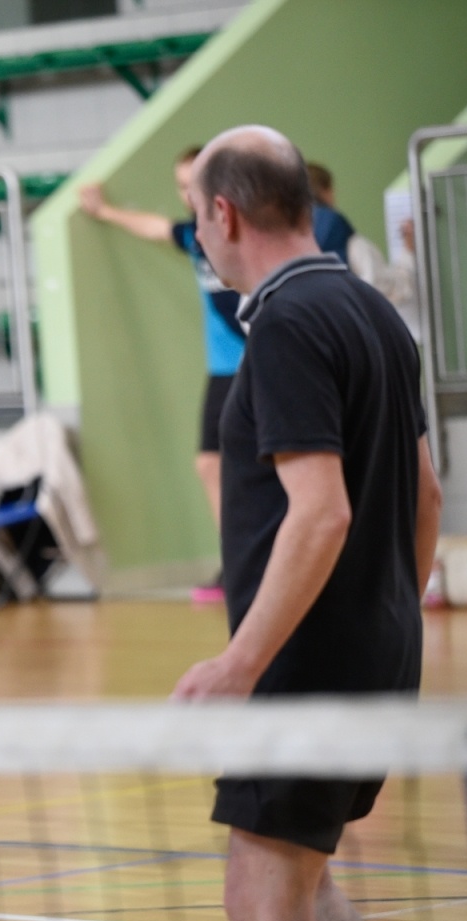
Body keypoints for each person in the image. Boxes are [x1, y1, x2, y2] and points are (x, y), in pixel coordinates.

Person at [171, 126, 443, 921]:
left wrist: (239, 660)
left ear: (225, 213)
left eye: (194, 216)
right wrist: (391, 621)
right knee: (307, 886)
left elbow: (319, 513)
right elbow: (427, 493)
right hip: (372, 648)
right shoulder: (369, 309)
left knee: (262, 905)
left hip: (302, 663)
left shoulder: (285, 324)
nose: (197, 234)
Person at [79, 151, 354, 603]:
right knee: (210, 463)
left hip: (263, 360)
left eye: (195, 183)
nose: (188, 193)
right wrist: (103, 211)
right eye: (181, 185)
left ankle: (300, 560)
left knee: (286, 465)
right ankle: (240, 559)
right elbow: (153, 226)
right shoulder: (193, 235)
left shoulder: (245, 233)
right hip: (224, 370)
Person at [307, 163, 419, 339]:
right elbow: (395, 290)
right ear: (327, 192)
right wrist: (408, 250)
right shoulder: (351, 245)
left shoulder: (278, 250)